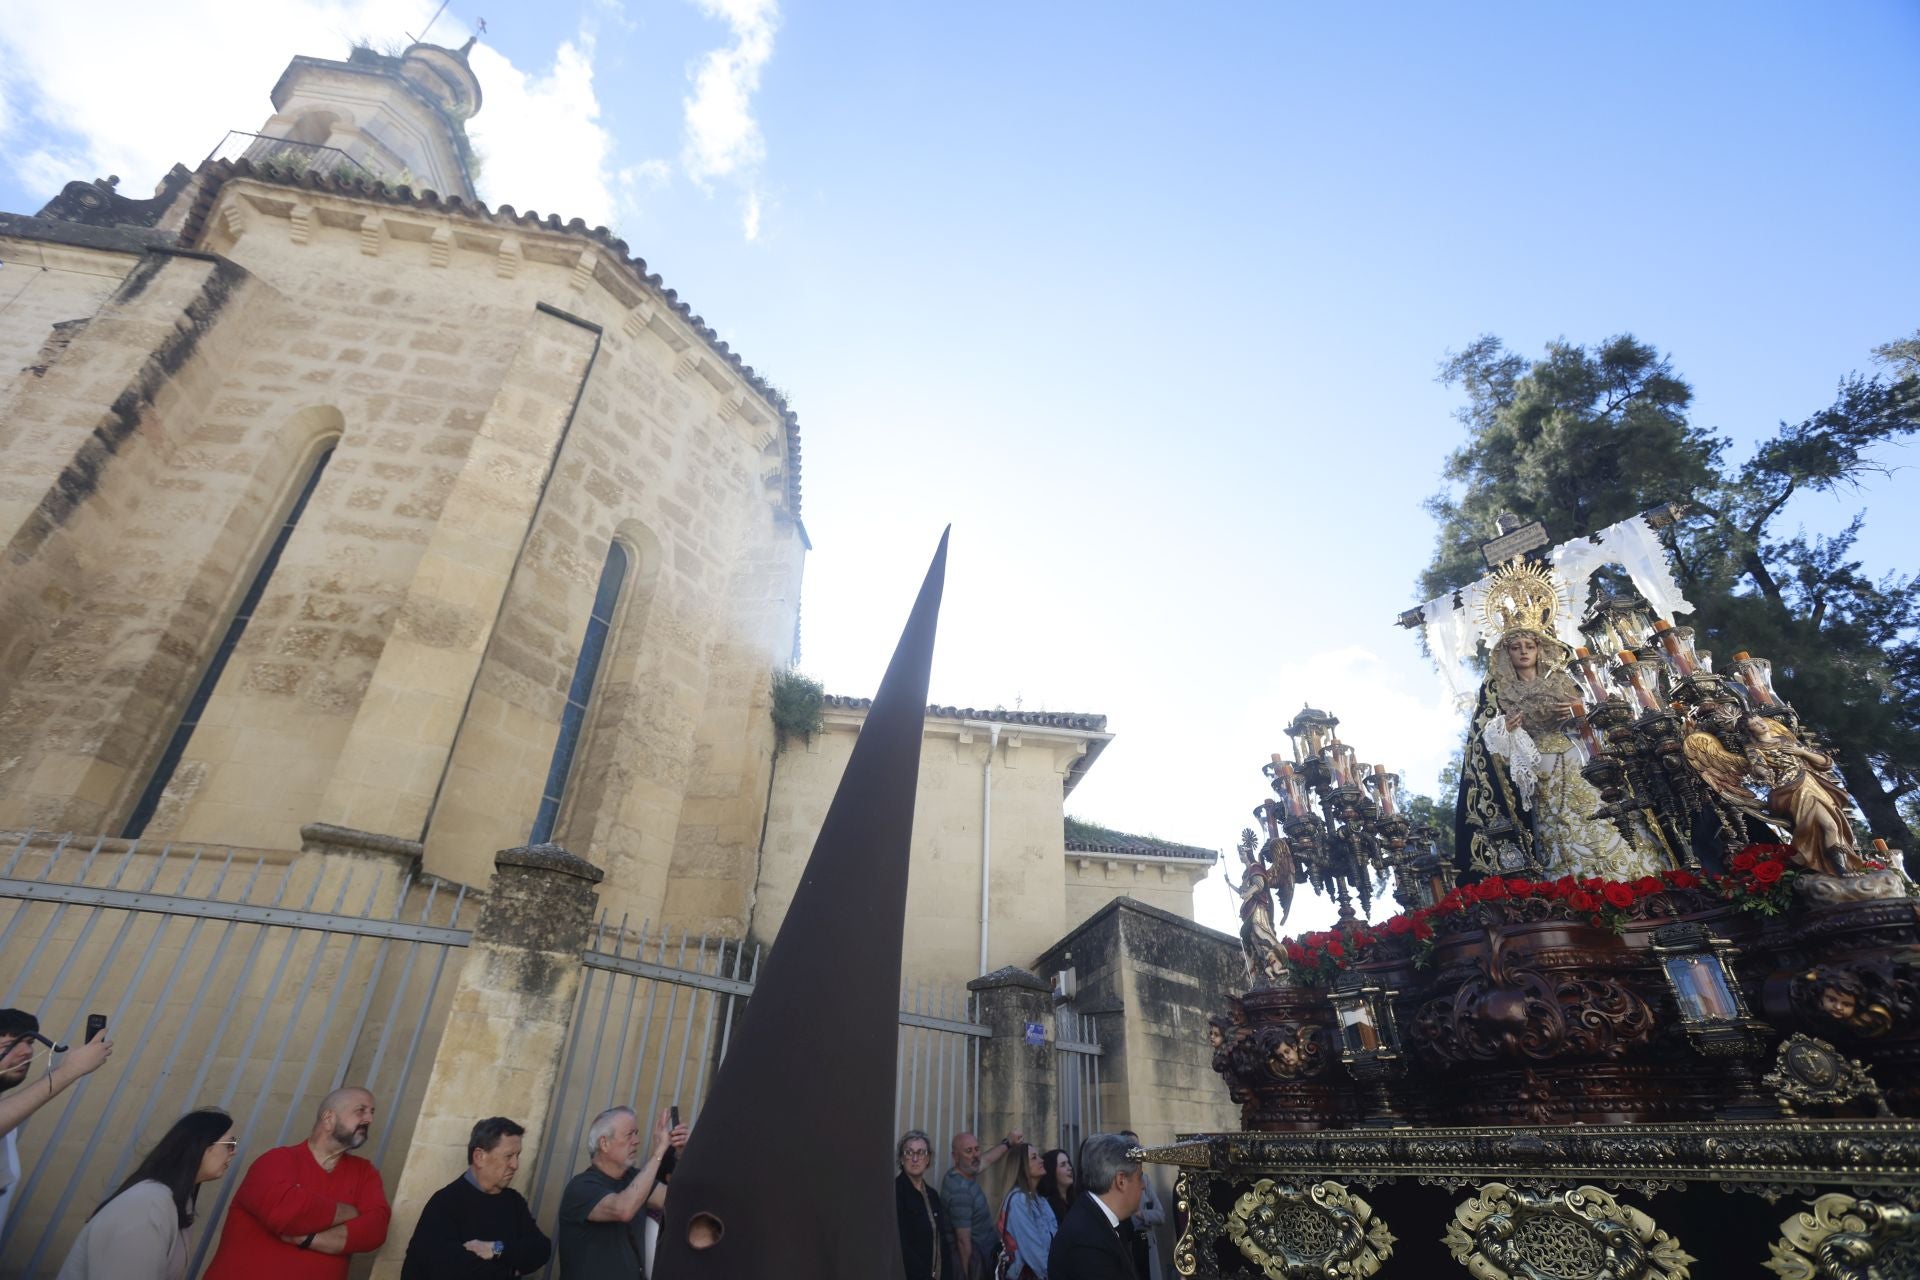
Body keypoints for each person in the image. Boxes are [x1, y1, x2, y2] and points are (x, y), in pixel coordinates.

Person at [1456, 626, 1667, 881]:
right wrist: (1506, 729)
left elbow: (1603, 706)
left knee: (1604, 805)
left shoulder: (1564, 679)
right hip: (1541, 765)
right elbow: (1485, 743)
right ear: (1506, 654)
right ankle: (1576, 883)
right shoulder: (1498, 693)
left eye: (1529, 646)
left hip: (1581, 753)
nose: (1523, 651)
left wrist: (1579, 710)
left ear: (1539, 649)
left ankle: (1641, 875)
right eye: (1516, 647)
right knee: (1558, 821)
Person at [202, 1086, 390, 1279]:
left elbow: (376, 1229)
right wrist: (351, 1212)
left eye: (371, 1112)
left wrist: (309, 1239)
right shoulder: (276, 1160)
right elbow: (286, 1213)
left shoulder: (365, 1172)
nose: (369, 1119)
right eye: (361, 1110)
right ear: (329, 1118)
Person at [55, 1107, 236, 1280]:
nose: (233, 1152)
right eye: (229, 1144)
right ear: (202, 1145)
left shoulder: (173, 1201)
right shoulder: (146, 1205)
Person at [0, 1008, 113, 1236]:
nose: (26, 1051)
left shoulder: (9, 1124)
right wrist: (70, 1071)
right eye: (10, 1044)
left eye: (30, 1042)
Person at [400, 1117, 549, 1278]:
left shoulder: (514, 1202)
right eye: (508, 1156)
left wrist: (495, 1249)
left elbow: (541, 1248)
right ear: (479, 1157)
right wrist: (511, 1270)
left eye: (517, 1156)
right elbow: (449, 1268)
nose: (515, 1165)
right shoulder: (446, 1202)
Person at [557, 1105, 678, 1278]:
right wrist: (659, 1152)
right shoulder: (581, 1187)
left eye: (636, 1133)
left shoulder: (634, 1178)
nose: (636, 1140)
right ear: (604, 1143)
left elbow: (676, 1200)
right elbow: (623, 1209)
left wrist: (681, 1155)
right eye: (630, 1134)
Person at [1046, 1134, 1142, 1280]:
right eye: (1140, 1177)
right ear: (1121, 1181)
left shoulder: (1097, 1218)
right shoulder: (1087, 1241)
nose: (1144, 1185)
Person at [943, 1129, 1023, 1279]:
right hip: (978, 1265)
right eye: (968, 1151)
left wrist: (1008, 1142)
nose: (975, 1155)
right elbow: (963, 1241)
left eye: (977, 1149)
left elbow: (986, 1160)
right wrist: (968, 1276)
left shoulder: (962, 1172)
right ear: (956, 1157)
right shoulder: (961, 1192)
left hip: (987, 1256)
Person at [895, 1129, 949, 1280]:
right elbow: (901, 1244)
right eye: (909, 1152)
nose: (915, 1158)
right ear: (901, 1158)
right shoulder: (896, 1192)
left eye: (921, 1152)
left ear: (928, 1159)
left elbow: (941, 1240)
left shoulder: (932, 1195)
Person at [999, 1142, 1057, 1280]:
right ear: (1022, 1166)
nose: (1041, 1160)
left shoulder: (1040, 1199)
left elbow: (1055, 1236)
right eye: (1034, 1157)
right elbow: (1032, 1249)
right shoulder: (1018, 1200)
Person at [1116, 1133, 1164, 1280]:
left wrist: (1141, 1214)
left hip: (1147, 1244)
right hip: (1129, 1245)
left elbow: (1161, 1215)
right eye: (1132, 1147)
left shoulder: (1145, 1180)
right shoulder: (1117, 1179)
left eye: (1138, 1147)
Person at [1037, 1149, 1075, 1225]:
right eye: (1063, 1165)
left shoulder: (1075, 1199)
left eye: (1069, 1163)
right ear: (1052, 1171)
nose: (1069, 1168)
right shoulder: (1047, 1206)